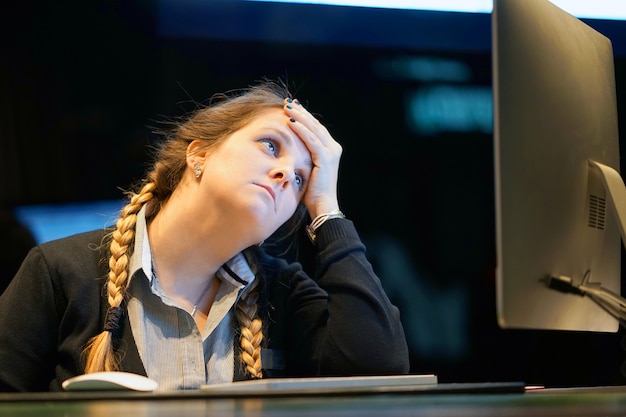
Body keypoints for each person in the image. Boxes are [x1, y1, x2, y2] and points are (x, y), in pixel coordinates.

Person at [0, 80, 409, 392]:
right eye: (270, 146)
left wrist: (327, 211)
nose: (287, 174)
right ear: (198, 154)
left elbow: (378, 368)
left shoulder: (282, 292)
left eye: (303, 178)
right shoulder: (60, 271)